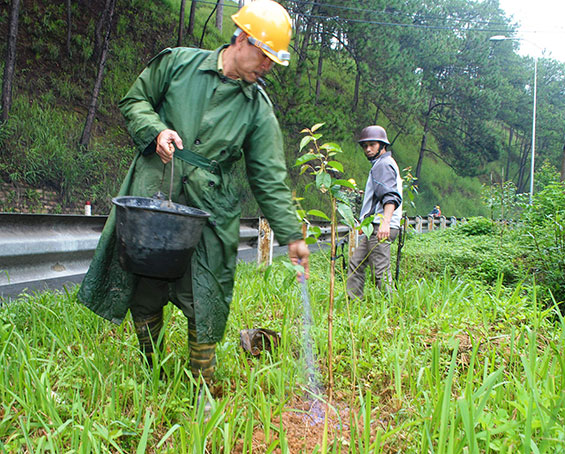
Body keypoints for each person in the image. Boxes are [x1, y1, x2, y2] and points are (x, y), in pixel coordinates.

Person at [77, 0, 309, 397]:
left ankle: (201, 388)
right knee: (143, 286)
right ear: (240, 38)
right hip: (155, 187)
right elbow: (134, 100)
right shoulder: (178, 64)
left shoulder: (257, 110)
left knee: (206, 294)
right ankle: (154, 373)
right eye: (264, 54)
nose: (268, 66)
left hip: (210, 208)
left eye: (274, 59)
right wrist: (156, 131)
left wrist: (291, 234)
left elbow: (268, 176)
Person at [346, 125, 402, 300]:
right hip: (375, 226)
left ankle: (393, 310)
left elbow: (390, 197)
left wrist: (384, 223)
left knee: (380, 272)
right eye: (365, 145)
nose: (368, 149)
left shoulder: (383, 165)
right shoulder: (383, 163)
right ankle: (354, 302)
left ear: (382, 145)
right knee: (356, 263)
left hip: (381, 227)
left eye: (372, 144)